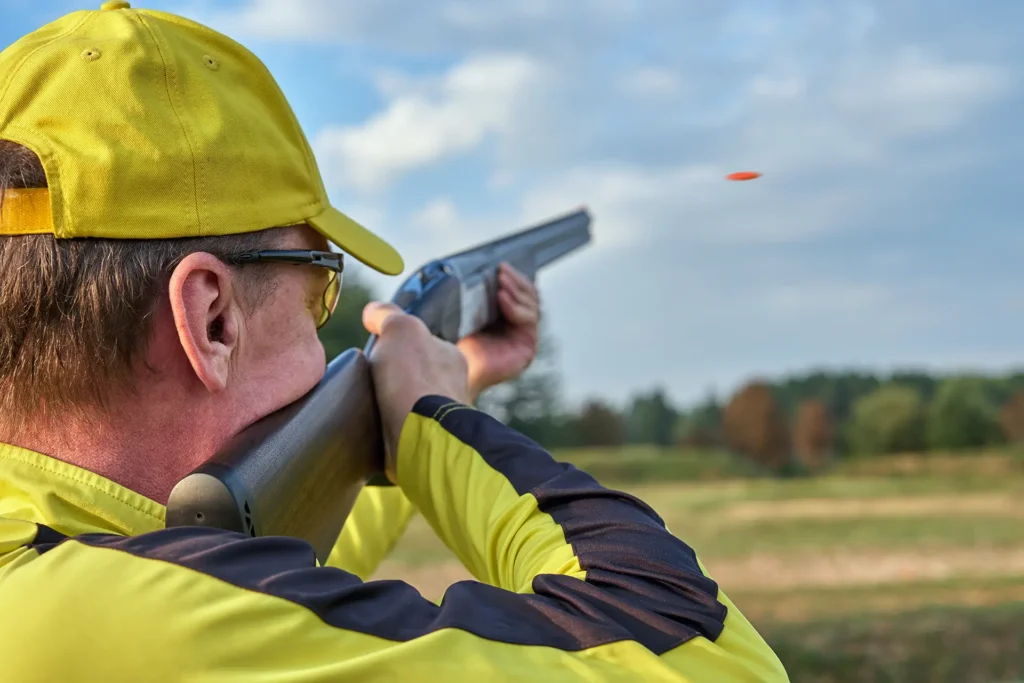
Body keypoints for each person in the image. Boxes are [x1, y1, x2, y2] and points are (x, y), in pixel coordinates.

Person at [0, 4, 789, 681]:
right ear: (211, 318)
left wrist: (451, 381)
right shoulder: (137, 626)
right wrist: (433, 419)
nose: (321, 337)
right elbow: (699, 662)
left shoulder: (55, 567)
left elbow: (294, 576)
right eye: (318, 292)